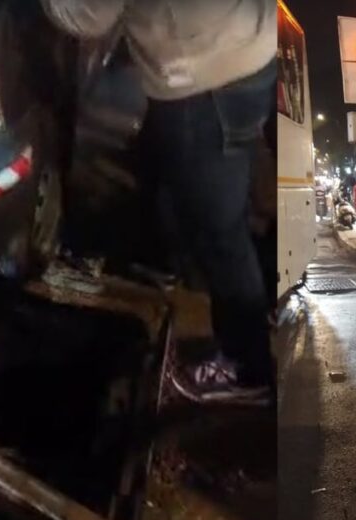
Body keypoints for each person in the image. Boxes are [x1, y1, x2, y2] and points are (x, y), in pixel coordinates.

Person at [40, 0, 275, 405]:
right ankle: (168, 267)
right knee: (192, 188)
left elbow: (86, 16)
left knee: (221, 236)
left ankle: (248, 367)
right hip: (249, 52)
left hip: (203, 81)